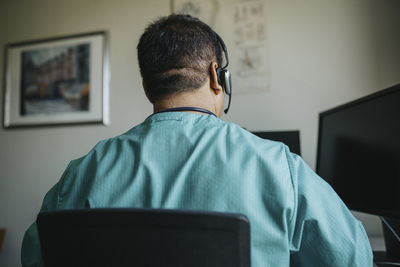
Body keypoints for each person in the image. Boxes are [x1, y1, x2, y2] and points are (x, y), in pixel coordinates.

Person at [21, 14, 373, 266]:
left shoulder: (82, 171)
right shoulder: (279, 166)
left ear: (148, 87)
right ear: (215, 76)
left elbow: (35, 256)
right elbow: (353, 257)